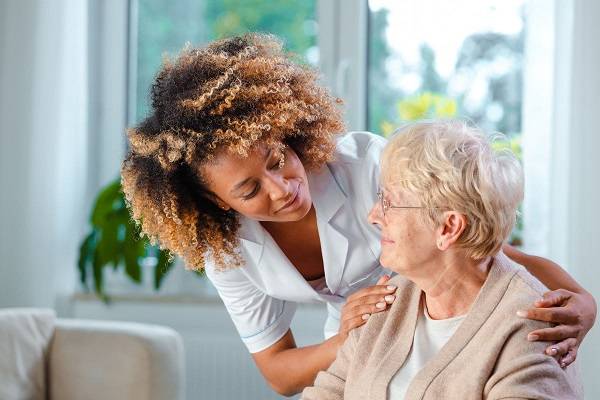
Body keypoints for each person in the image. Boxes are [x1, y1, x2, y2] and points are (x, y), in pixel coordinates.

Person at [120, 34, 596, 396]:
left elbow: (483, 247)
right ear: (220, 203)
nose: (283, 189)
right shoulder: (228, 249)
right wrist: (349, 335)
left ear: (286, 130)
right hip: (368, 335)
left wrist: (583, 301)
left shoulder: (367, 166)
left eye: (277, 158)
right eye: (250, 190)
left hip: (442, 312)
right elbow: (280, 371)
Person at [302, 120, 583, 399]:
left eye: (389, 202)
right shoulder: (387, 301)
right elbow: (328, 391)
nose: (373, 216)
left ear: (448, 228)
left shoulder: (529, 329)